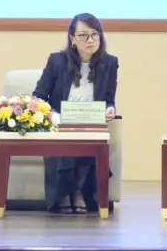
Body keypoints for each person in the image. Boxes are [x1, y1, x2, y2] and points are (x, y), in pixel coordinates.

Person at [32, 13, 118, 214]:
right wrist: (55, 117)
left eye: (95, 34)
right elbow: (39, 96)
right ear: (72, 38)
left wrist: (111, 109)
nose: (90, 40)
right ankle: (64, 193)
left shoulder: (110, 63)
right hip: (60, 123)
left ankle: (78, 191)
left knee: (89, 140)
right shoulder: (57, 61)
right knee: (66, 139)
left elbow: (109, 99)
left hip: (91, 124)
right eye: (83, 35)